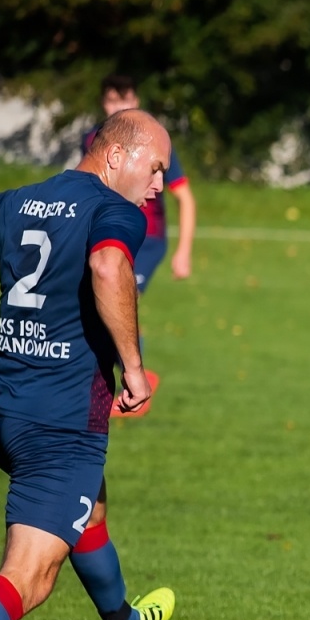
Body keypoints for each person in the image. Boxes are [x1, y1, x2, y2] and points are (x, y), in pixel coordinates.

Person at [0, 109, 178, 620]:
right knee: (27, 579)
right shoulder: (114, 212)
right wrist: (133, 369)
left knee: (90, 508)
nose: (159, 187)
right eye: (155, 169)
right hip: (59, 427)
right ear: (116, 156)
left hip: (0, 412)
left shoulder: (16, 199)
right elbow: (109, 266)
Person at [81, 74, 198, 418]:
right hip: (105, 235)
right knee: (104, 302)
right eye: (112, 101)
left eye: (126, 99)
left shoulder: (154, 141)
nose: (119, 107)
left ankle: (135, 381)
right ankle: (127, 380)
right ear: (103, 104)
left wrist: (183, 251)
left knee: (118, 298)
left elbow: (185, 198)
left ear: (136, 99)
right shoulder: (93, 139)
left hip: (147, 241)